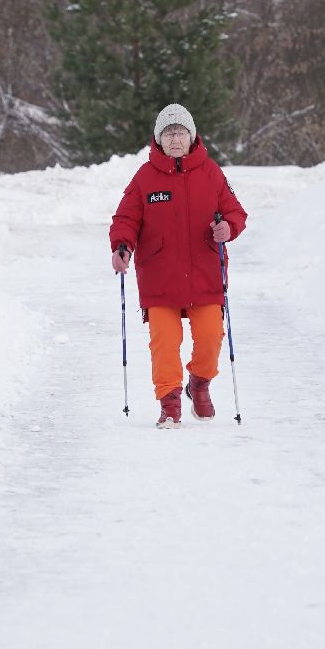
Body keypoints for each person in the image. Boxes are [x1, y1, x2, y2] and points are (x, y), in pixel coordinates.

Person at [109, 103, 247, 428]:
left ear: (191, 136)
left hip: (206, 274)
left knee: (212, 336)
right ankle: (169, 401)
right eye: (169, 133)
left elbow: (236, 212)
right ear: (159, 139)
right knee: (164, 342)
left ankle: (199, 382)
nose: (175, 139)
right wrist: (122, 246)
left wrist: (228, 227)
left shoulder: (211, 172)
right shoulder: (145, 178)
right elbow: (125, 218)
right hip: (160, 278)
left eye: (181, 132)